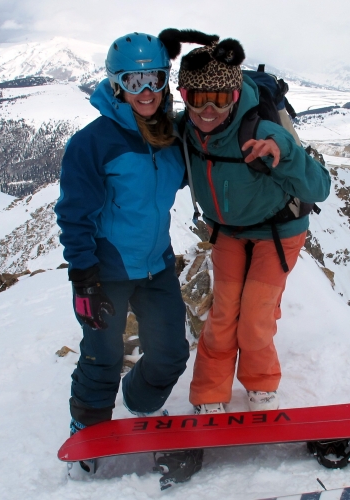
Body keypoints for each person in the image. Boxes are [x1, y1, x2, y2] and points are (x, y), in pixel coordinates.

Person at [158, 28, 331, 415]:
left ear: (235, 96)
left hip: (278, 230)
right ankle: (208, 394)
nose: (208, 110)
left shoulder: (260, 130)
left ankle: (261, 384)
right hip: (228, 232)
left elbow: (319, 187)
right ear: (184, 96)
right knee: (222, 317)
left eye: (219, 99)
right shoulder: (187, 133)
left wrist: (283, 153)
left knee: (254, 318)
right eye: (197, 98)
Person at [54, 33, 190, 464]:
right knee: (103, 357)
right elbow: (74, 213)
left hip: (156, 266)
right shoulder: (93, 144)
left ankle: (142, 408)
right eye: (135, 81)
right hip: (106, 270)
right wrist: (83, 277)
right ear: (117, 84)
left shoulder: (171, 136)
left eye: (155, 79)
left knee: (170, 354)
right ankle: (88, 435)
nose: (147, 92)